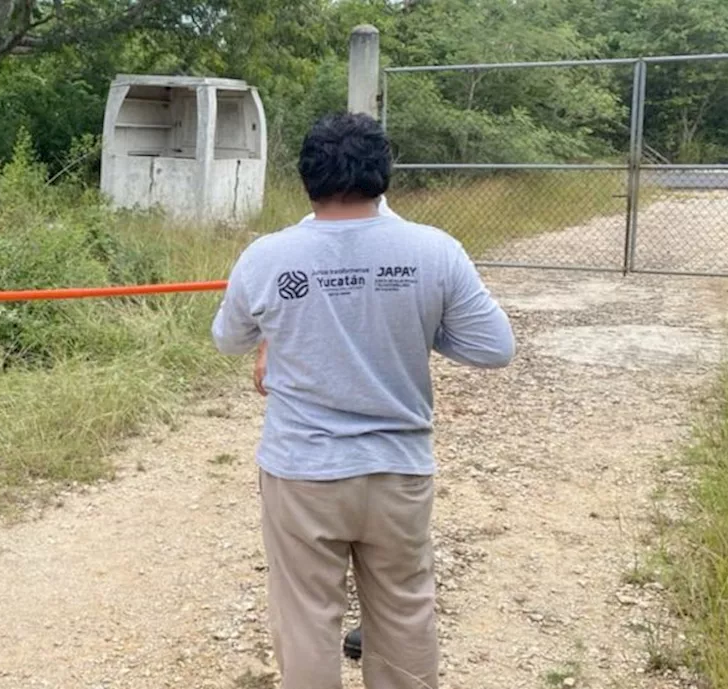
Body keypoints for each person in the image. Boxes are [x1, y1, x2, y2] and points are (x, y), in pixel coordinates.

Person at [211, 112, 515, 689]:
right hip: (398, 471)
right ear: (385, 175)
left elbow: (228, 338)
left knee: (305, 620)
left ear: (306, 179)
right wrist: (419, 329)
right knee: (404, 613)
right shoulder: (434, 250)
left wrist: (280, 332)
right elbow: (494, 348)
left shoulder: (268, 256)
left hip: (301, 472)